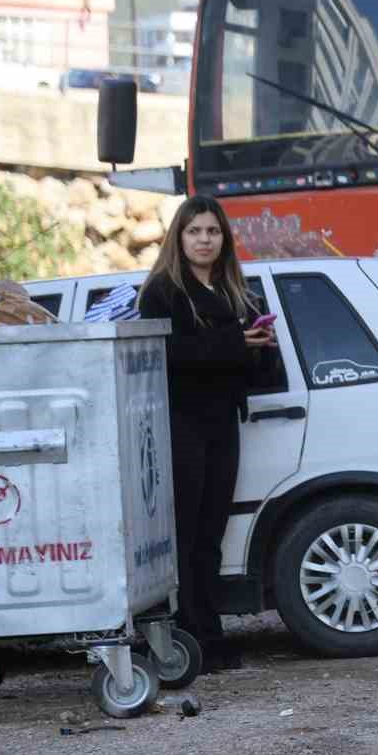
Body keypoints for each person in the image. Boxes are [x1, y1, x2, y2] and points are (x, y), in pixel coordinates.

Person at [138, 195, 274, 671]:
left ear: (224, 239)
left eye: (212, 232)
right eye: (194, 231)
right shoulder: (161, 290)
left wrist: (259, 345)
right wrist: (235, 342)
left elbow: (254, 370)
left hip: (223, 424)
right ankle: (189, 634)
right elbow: (170, 356)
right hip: (181, 424)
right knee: (187, 535)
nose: (204, 240)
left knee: (212, 535)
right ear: (179, 237)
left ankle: (210, 633)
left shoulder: (239, 290)